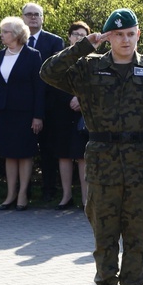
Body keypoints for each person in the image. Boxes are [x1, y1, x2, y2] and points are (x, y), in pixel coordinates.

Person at [40, 8, 143, 285]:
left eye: (130, 34)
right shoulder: (89, 68)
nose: (125, 40)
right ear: (108, 38)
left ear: (139, 35)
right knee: (104, 237)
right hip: (103, 164)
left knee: (137, 238)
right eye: (118, 35)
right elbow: (48, 71)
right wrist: (85, 45)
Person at [0, 17, 45, 211]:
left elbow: (39, 88)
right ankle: (10, 194)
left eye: (5, 31)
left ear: (16, 34)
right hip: (4, 113)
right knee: (9, 154)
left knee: (24, 154)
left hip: (25, 113)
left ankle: (22, 195)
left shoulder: (32, 55)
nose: (1, 35)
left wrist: (38, 115)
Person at [22, 2, 65, 202]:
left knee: (48, 150)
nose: (33, 18)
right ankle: (24, 192)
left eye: (37, 14)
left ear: (43, 18)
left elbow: (56, 72)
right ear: (22, 17)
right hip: (22, 106)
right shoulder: (17, 40)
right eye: (29, 14)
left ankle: (49, 191)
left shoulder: (55, 42)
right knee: (22, 150)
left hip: (50, 106)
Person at [53, 21, 91, 209]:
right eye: (75, 34)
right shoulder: (61, 58)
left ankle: (86, 199)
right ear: (69, 37)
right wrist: (68, 98)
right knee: (64, 155)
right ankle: (66, 196)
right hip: (63, 111)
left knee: (83, 156)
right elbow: (53, 80)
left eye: (83, 35)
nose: (79, 37)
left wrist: (81, 99)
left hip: (84, 115)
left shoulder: (94, 60)